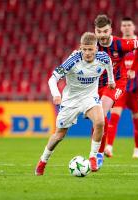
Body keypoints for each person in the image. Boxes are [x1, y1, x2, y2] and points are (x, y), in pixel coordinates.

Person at [35, 32, 115, 176]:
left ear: (96, 49)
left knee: (100, 122)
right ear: (80, 48)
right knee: (59, 135)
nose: (87, 53)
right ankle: (42, 161)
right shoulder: (72, 60)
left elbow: (109, 65)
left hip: (89, 97)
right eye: (84, 49)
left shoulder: (103, 58)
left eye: (90, 49)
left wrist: (111, 80)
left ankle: (93, 157)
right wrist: (56, 94)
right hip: (70, 100)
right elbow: (52, 79)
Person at [93, 14, 138, 166]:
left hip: (116, 84)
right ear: (95, 31)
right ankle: (97, 152)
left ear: (111, 30)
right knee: (98, 120)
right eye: (99, 31)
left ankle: (97, 155)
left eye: (105, 31)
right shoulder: (92, 45)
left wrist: (135, 68)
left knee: (101, 114)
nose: (102, 35)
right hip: (96, 85)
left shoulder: (122, 44)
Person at [104, 17, 138, 158]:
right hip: (120, 86)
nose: (126, 27)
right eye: (124, 25)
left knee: (137, 118)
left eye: (129, 25)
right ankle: (109, 147)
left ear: (134, 27)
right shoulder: (116, 45)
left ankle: (137, 149)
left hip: (136, 89)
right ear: (121, 28)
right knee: (114, 116)